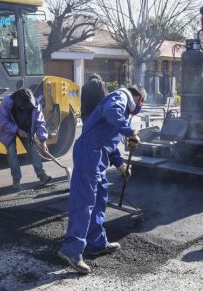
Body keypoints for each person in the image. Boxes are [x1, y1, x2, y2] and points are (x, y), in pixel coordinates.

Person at [57, 85, 146, 274]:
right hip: (89, 153)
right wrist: (130, 132)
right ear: (140, 99)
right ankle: (71, 250)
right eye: (142, 104)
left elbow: (111, 144)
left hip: (97, 155)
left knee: (99, 200)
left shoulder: (120, 106)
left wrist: (121, 165)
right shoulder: (120, 97)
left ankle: (96, 242)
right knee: (84, 201)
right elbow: (113, 112)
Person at [0, 88, 52, 189]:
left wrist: (43, 141)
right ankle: (16, 179)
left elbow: (40, 122)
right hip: (8, 130)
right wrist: (17, 130)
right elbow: (2, 120)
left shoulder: (35, 104)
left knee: (34, 150)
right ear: (19, 103)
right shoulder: (7, 103)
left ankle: (42, 176)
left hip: (26, 129)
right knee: (12, 152)